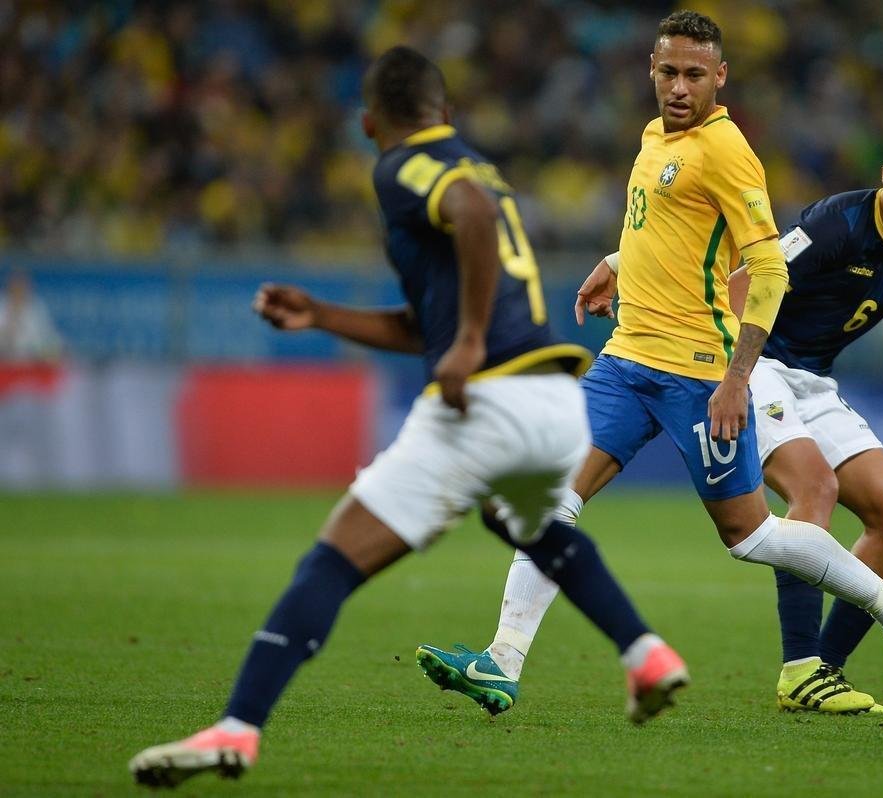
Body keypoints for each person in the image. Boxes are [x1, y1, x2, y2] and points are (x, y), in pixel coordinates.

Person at [128, 46, 690, 789]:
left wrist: (467, 342)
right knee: (525, 524)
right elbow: (427, 319)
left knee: (331, 560)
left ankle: (236, 729)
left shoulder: (405, 167)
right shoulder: (480, 166)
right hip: (550, 396)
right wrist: (321, 314)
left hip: (488, 397)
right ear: (446, 112)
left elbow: (470, 217)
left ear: (369, 124)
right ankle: (644, 652)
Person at [414, 10, 883, 719]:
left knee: (750, 536)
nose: (679, 87)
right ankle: (502, 662)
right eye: (668, 72)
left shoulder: (727, 151)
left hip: (697, 372)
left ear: (721, 77)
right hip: (626, 360)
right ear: (651, 72)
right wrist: (616, 261)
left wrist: (737, 379)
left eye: (694, 74)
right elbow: (670, 230)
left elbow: (768, 269)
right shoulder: (656, 136)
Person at [730, 118, 883, 713]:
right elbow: (741, 288)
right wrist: (733, 377)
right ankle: (798, 668)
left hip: (813, 381)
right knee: (814, 488)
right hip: (753, 361)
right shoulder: (835, 223)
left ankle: (824, 671)